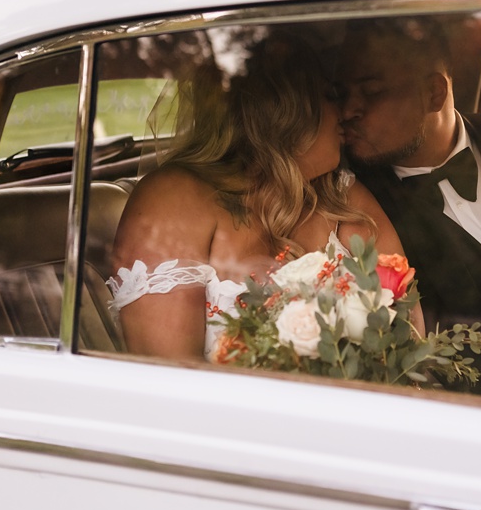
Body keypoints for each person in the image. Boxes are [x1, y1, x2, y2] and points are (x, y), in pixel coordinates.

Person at [107, 32, 421, 362]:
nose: (344, 112)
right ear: (288, 107)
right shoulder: (175, 199)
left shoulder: (341, 196)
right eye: (331, 95)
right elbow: (169, 381)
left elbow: (410, 333)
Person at [336, 17, 481, 397]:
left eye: (371, 91)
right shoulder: (357, 206)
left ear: (434, 93)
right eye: (340, 93)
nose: (348, 111)